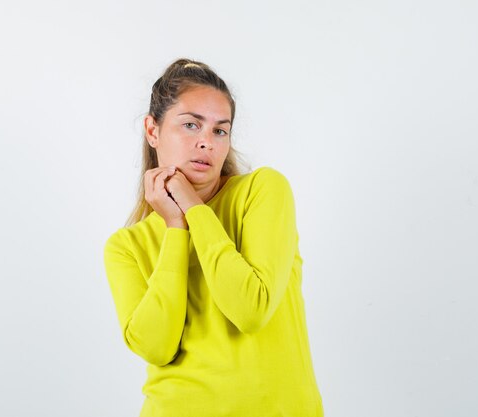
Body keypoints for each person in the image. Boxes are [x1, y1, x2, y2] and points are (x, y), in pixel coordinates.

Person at [103, 58, 324, 417]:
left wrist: (194, 209)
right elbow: (157, 347)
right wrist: (177, 229)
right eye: (191, 125)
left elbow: (250, 310)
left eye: (220, 131)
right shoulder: (126, 246)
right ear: (152, 130)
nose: (206, 142)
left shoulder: (262, 191)